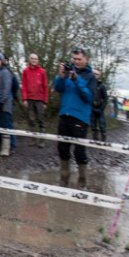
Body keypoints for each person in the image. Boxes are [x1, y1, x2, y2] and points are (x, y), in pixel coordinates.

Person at [52, 47, 97, 185]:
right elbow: (58, 88)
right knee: (62, 147)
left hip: (80, 117)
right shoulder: (68, 73)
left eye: (79, 59)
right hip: (64, 114)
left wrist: (77, 81)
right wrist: (61, 76)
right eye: (74, 59)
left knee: (79, 150)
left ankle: (82, 177)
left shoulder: (90, 77)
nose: (76, 62)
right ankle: (64, 176)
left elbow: (89, 97)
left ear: (86, 59)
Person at [20, 53, 48, 144]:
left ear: (38, 60)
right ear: (29, 59)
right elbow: (24, 85)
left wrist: (45, 101)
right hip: (29, 99)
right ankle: (33, 138)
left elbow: (45, 87)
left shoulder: (42, 71)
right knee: (31, 119)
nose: (34, 60)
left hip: (40, 99)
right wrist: (24, 99)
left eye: (35, 59)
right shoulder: (25, 71)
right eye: (32, 58)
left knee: (40, 118)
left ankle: (42, 139)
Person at [90, 70, 108, 141]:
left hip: (100, 108)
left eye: (96, 74)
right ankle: (95, 138)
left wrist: (102, 108)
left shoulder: (102, 86)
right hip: (92, 108)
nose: (95, 75)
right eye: (93, 74)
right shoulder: (90, 85)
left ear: (99, 76)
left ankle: (103, 137)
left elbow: (105, 98)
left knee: (102, 124)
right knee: (93, 125)